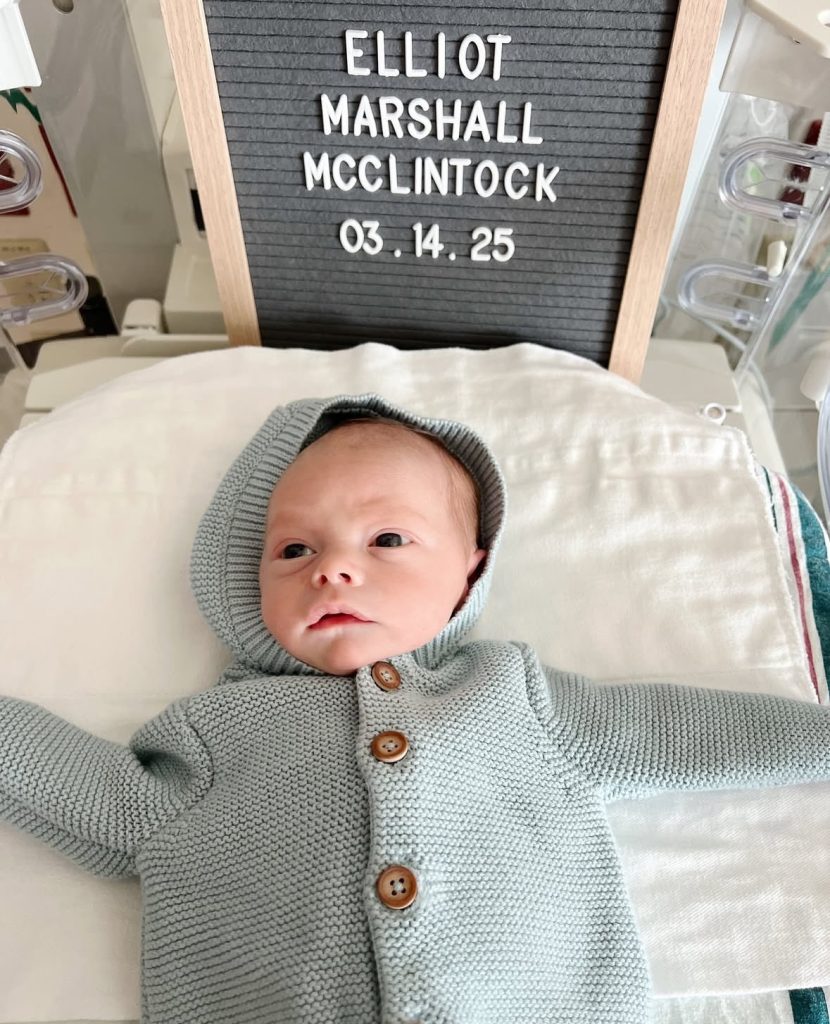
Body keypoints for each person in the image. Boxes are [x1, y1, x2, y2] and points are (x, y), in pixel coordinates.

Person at [1, 392, 830, 1024]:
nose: (331, 569)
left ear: (470, 570)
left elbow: (683, 734)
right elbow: (92, 790)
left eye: (387, 539)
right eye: (294, 548)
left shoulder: (513, 698)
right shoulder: (219, 733)